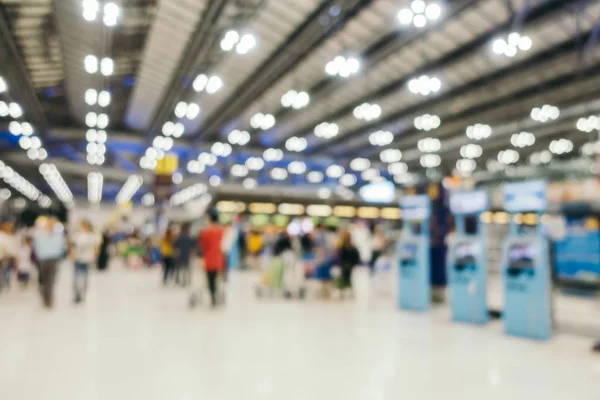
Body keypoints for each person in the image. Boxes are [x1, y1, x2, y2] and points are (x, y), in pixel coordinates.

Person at [33, 216, 66, 308]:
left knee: (51, 281)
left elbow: (62, 248)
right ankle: (45, 297)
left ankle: (49, 300)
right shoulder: (40, 235)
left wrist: (59, 256)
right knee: (43, 280)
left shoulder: (58, 236)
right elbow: (36, 246)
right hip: (43, 259)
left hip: (54, 259)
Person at [199, 212, 225, 307]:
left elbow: (203, 245)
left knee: (210, 279)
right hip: (218, 258)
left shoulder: (206, 231)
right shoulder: (220, 230)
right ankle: (215, 294)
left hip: (209, 258)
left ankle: (213, 296)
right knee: (215, 278)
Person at [70, 220, 99, 303]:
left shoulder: (92, 235)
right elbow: (71, 244)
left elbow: (96, 246)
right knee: (76, 277)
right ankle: (76, 294)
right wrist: (72, 253)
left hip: (87, 258)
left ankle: (83, 293)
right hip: (77, 258)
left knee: (85, 277)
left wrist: (95, 256)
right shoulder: (76, 235)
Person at [337, 229, 360, 297]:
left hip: (347, 264)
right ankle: (345, 291)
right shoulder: (343, 245)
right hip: (346, 264)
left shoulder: (348, 246)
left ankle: (346, 291)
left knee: (346, 277)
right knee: (346, 277)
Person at [0, 219, 17, 291]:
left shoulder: (11, 236)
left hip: (10, 257)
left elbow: (14, 248)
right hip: (3, 257)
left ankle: (6, 284)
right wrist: (5, 256)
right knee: (3, 271)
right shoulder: (2, 235)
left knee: (8, 272)